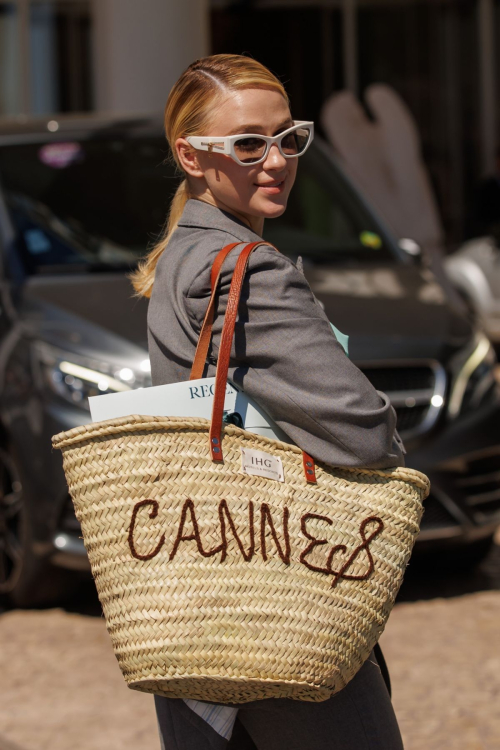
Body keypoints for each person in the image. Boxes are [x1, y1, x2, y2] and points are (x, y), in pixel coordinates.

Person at [130, 53, 406, 750]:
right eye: (249, 143)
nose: (277, 159)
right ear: (190, 155)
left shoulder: (180, 260)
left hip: (200, 601)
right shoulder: (247, 273)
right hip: (282, 604)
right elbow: (364, 434)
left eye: (288, 136)